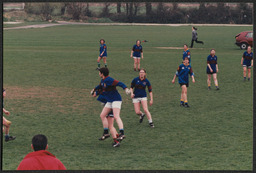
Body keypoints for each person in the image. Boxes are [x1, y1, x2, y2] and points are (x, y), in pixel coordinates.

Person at [93, 67, 130, 147]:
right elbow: (100, 87)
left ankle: (122, 133)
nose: (98, 73)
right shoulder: (103, 81)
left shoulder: (109, 79)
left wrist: (125, 88)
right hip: (110, 101)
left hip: (116, 100)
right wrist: (94, 90)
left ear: (102, 74)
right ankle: (106, 133)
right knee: (102, 115)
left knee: (116, 116)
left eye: (99, 72)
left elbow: (119, 83)